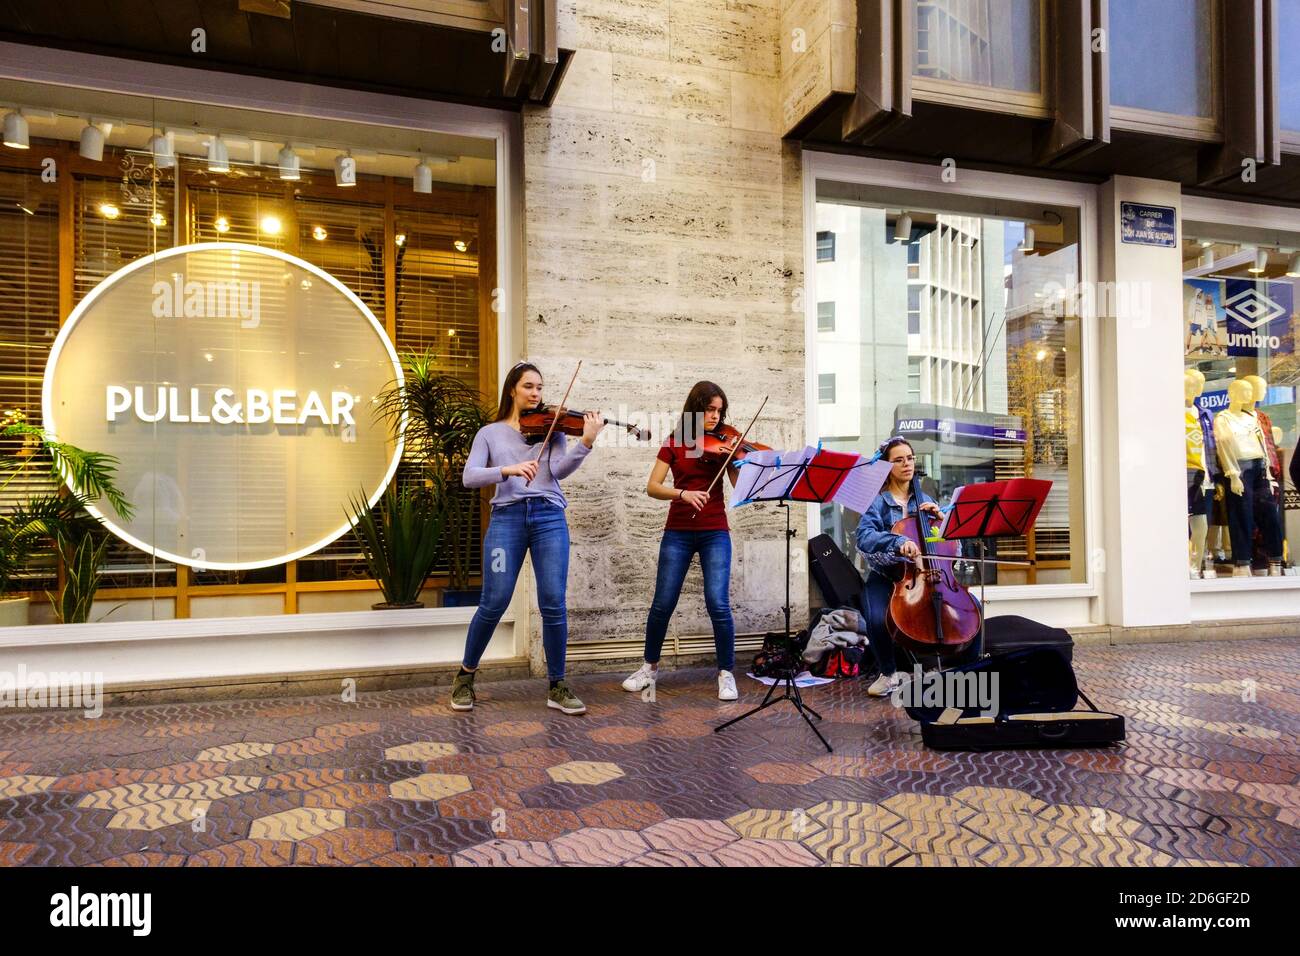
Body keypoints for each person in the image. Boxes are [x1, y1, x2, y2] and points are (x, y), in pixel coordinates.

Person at [450, 361, 603, 715]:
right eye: (529, 387)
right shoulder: (489, 433)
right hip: (507, 521)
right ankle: (465, 676)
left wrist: (587, 442)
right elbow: (470, 477)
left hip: (549, 516)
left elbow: (559, 471)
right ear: (512, 390)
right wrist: (508, 469)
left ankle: (557, 685)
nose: (536, 394)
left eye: (539, 388)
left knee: (553, 601)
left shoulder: (554, 430)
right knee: (495, 600)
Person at [622, 381, 741, 701]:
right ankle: (649, 668)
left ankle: (727, 674)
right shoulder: (675, 442)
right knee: (663, 603)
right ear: (695, 409)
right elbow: (653, 486)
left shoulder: (724, 443)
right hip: (677, 531)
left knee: (718, 602)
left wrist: (735, 461)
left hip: (716, 530)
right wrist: (683, 494)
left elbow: (739, 488)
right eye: (709, 410)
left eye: (719, 411)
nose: (715, 417)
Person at [854, 436, 944, 696]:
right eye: (899, 460)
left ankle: (934, 669)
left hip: (922, 575)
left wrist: (940, 523)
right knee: (876, 618)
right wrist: (898, 541)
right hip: (887, 574)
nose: (907, 464)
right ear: (886, 466)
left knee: (940, 611)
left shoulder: (924, 498)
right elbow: (864, 537)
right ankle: (889, 673)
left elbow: (941, 543)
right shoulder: (878, 502)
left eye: (910, 458)